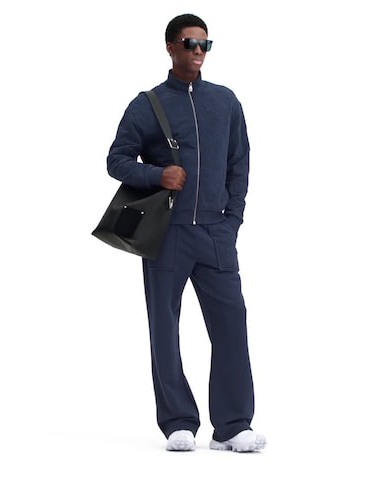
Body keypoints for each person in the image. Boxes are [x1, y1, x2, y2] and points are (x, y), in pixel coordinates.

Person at [106, 13, 266, 452]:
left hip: (216, 232)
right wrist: (157, 174)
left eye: (205, 44)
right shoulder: (148, 104)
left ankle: (232, 426)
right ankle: (178, 421)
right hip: (167, 233)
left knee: (231, 325)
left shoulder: (225, 102)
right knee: (165, 327)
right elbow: (116, 160)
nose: (199, 51)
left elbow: (239, 163)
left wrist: (232, 220)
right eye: (190, 43)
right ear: (171, 47)